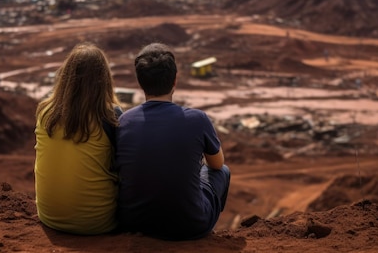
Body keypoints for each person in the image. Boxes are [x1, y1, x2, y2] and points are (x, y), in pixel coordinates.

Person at [116, 42, 231, 240]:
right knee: (223, 172)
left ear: (140, 81)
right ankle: (207, 238)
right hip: (191, 225)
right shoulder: (197, 119)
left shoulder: (124, 120)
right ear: (175, 80)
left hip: (134, 222)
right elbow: (217, 164)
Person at [34, 42, 122, 235]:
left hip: (49, 216)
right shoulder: (109, 115)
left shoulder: (45, 112)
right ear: (104, 79)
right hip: (98, 222)